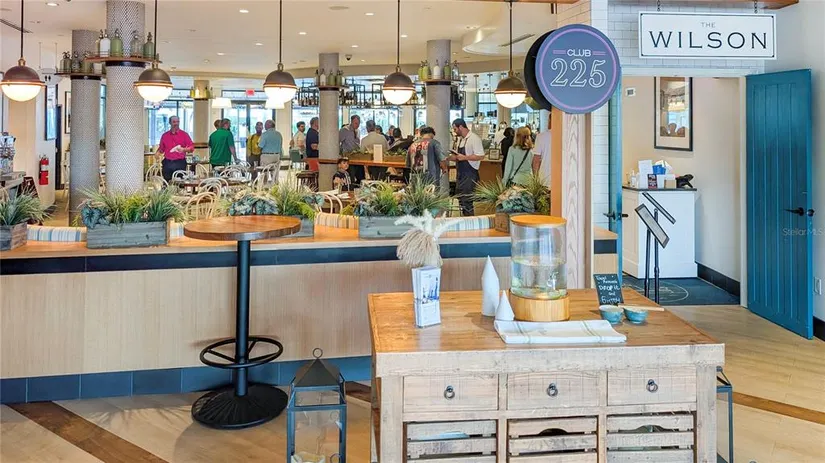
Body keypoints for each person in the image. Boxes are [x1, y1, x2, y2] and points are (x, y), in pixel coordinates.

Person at [447, 118, 484, 216]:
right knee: (461, 200)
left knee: (467, 201)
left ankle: (470, 221)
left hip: (470, 174)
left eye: (455, 129)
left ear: (460, 127)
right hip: (460, 174)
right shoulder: (461, 139)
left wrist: (465, 157)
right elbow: (459, 157)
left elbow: (481, 156)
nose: (454, 131)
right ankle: (464, 219)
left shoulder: (474, 138)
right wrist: (451, 157)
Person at [157, 116, 194, 182]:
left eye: (178, 122)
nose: (176, 123)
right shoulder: (165, 136)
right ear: (170, 123)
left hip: (180, 163)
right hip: (168, 163)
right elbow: (161, 149)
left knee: (180, 184)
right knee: (166, 183)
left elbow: (191, 148)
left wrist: (184, 149)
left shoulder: (184, 135)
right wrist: (157, 153)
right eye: (174, 122)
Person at [340, 115, 363, 182]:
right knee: (351, 177)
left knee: (361, 176)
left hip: (357, 157)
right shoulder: (344, 130)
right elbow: (337, 141)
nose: (357, 125)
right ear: (351, 122)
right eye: (356, 123)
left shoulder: (357, 131)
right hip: (348, 157)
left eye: (358, 123)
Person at [532, 117, 552, 187]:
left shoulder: (541, 136)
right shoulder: (566, 134)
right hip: (563, 179)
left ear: (550, 120)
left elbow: (536, 160)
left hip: (544, 178)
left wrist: (535, 179)